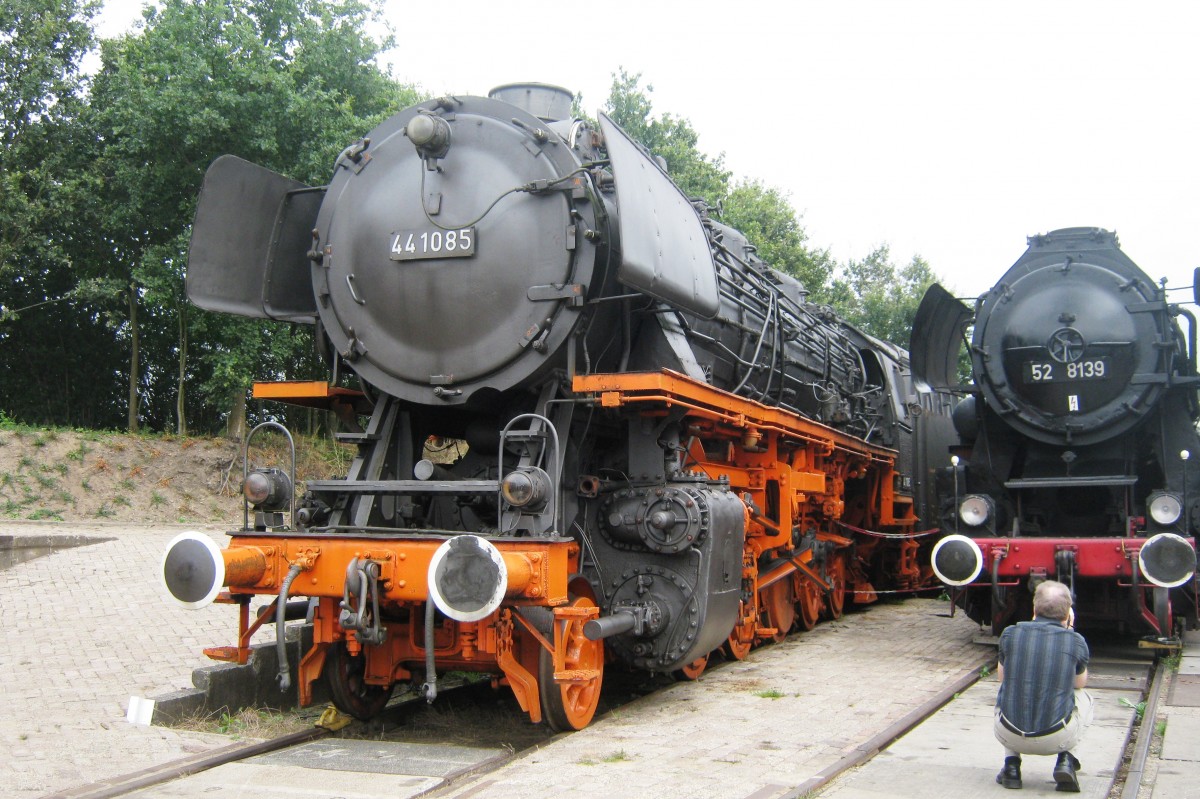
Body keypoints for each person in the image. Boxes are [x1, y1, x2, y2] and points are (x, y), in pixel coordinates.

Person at [994, 580, 1093, 792]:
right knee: (1084, 697)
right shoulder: (1076, 641)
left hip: (1009, 733)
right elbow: (1079, 682)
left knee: (1008, 688)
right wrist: (1069, 628)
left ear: (1034, 609)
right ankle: (1066, 760)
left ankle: (1011, 766)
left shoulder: (1010, 633)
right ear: (1068, 612)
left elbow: (1002, 677)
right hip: (1056, 738)